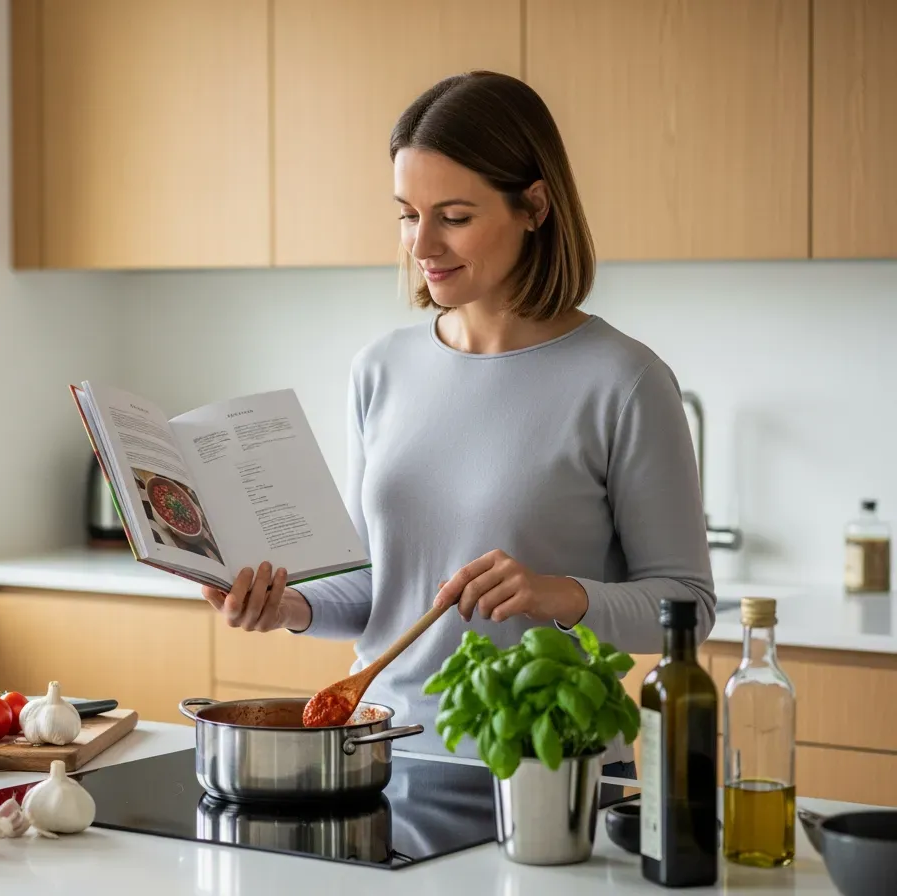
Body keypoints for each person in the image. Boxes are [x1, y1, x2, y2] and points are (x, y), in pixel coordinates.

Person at [200, 70, 716, 776]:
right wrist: (286, 605)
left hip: (548, 769)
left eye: (455, 216)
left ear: (534, 206)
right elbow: (380, 588)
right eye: (408, 214)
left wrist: (553, 594)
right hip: (382, 755)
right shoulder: (380, 368)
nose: (422, 244)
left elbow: (687, 603)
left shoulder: (624, 380)